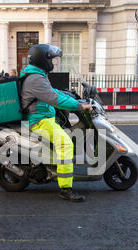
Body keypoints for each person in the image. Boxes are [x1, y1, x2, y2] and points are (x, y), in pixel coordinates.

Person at [20, 44, 92, 202]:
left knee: (66, 128)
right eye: (51, 59)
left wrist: (72, 95)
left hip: (45, 117)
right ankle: (66, 188)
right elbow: (54, 99)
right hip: (38, 121)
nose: (52, 62)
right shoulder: (35, 79)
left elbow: (52, 92)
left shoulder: (38, 74)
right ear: (43, 60)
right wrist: (79, 106)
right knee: (66, 143)